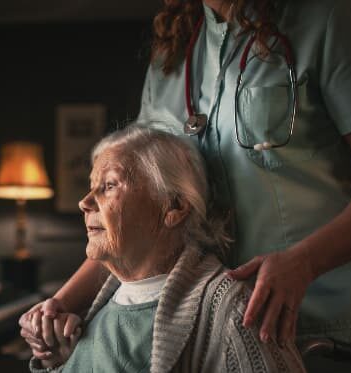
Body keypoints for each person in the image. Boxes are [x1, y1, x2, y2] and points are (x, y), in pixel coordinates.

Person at [21, 0, 351, 372]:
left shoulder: (327, 20)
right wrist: (60, 303)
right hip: (205, 328)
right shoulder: (172, 54)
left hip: (322, 323)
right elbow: (132, 214)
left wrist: (304, 262)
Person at [29, 124, 306, 372]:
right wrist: (60, 362)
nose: (85, 202)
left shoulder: (232, 314)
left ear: (173, 207)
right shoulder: (91, 309)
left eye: (109, 185)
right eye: (92, 187)